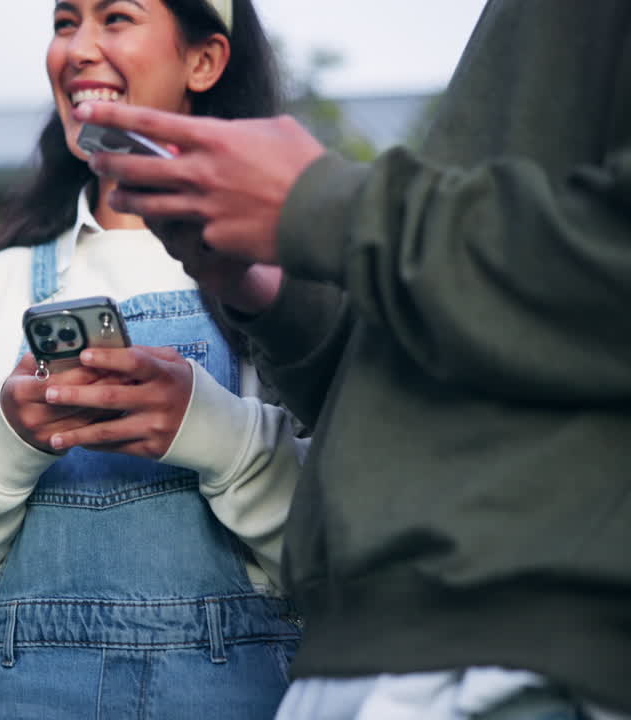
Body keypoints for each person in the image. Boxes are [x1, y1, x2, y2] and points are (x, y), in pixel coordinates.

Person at [78, 0, 631, 717]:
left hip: (519, 660)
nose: (83, 48)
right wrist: (273, 293)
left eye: (116, 17)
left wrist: (329, 207)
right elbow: (449, 350)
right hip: (360, 657)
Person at [0, 1, 305, 717]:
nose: (77, 50)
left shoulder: (285, 282)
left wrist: (215, 434)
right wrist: (8, 438)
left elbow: (338, 553)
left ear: (204, 61)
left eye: (115, 17)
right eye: (63, 21)